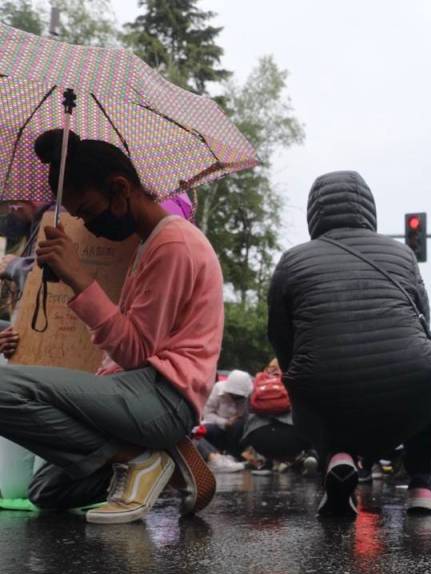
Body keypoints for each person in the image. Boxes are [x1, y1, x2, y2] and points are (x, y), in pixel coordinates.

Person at [0, 129, 221, 523]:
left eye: (86, 210)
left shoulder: (173, 244)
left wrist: (79, 278)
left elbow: (135, 351)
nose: (90, 225)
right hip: (134, 389)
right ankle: (154, 458)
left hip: (164, 395)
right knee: (49, 491)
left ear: (120, 187)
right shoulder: (146, 242)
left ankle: (136, 456)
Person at [268, 171, 431, 517]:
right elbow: (424, 325)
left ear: (314, 212)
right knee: (424, 374)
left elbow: (282, 340)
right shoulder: (402, 255)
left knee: (323, 387)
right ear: (369, 209)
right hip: (411, 388)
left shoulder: (292, 261)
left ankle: (337, 457)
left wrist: (300, 381)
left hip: (328, 392)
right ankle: (421, 485)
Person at [238, 358, 314, 474]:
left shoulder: (258, 382)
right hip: (293, 438)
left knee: (251, 430)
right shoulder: (297, 380)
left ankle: (265, 461)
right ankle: (306, 458)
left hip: (260, 438)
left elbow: (244, 417)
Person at [196, 369, 252, 473]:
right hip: (217, 427)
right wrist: (224, 422)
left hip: (237, 434)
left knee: (239, 425)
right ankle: (215, 457)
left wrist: (238, 418)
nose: (235, 398)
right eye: (232, 395)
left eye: (239, 397)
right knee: (199, 432)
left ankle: (233, 456)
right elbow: (207, 414)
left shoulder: (250, 396)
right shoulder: (218, 388)